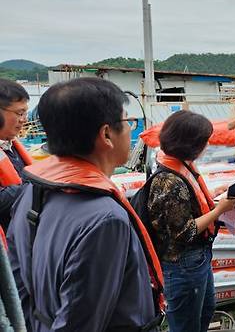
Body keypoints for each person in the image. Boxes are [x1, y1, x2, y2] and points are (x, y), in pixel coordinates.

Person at [8, 78, 164, 331]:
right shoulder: (105, 219)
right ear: (106, 134)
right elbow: (79, 322)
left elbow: (19, 286)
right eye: (127, 122)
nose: (130, 130)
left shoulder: (33, 191)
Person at [147, 110, 235, 332]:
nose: (206, 146)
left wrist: (213, 194)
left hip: (197, 258)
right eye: (203, 142)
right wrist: (220, 209)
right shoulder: (168, 182)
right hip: (183, 263)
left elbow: (188, 199)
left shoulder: (181, 165)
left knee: (205, 311)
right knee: (186, 323)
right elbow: (184, 232)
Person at [0, 79, 31, 231]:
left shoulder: (11, 145)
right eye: (20, 113)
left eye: (25, 112)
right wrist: (37, 186)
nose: (24, 119)